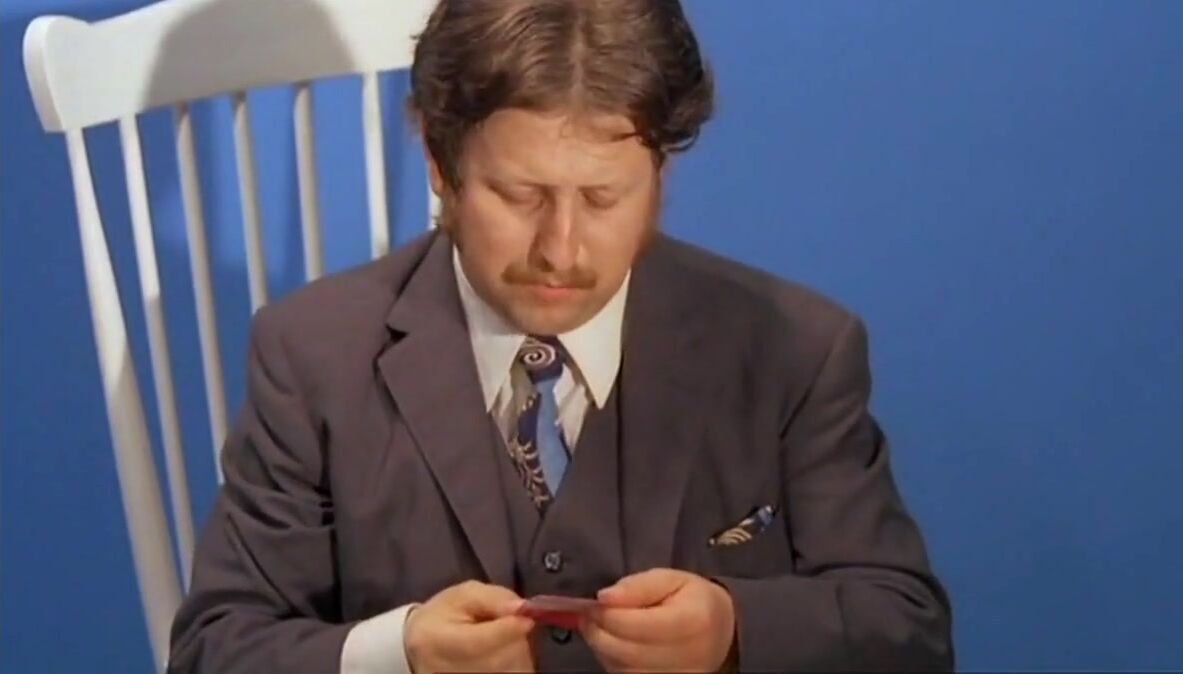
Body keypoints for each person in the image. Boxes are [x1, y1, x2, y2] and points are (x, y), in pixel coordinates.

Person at [167, 0, 953, 672]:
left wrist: (734, 630)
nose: (561, 251)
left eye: (604, 199)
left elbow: (907, 632)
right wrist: (396, 654)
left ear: (659, 177)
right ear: (440, 163)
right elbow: (215, 648)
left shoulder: (793, 351)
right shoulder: (313, 355)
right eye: (519, 195)